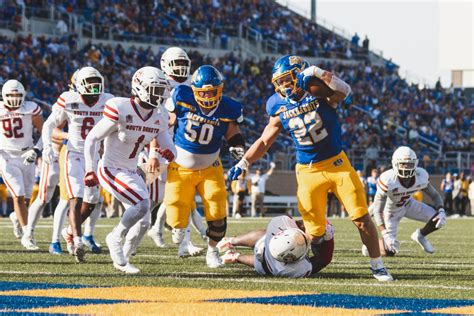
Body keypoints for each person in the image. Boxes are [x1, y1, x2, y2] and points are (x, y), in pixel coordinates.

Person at [228, 55, 392, 281]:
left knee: (361, 218)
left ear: (300, 74)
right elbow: (265, 140)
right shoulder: (277, 104)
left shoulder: (318, 90)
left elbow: (345, 91)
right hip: (307, 171)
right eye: (280, 81)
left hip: (337, 165)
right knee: (314, 233)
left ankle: (378, 265)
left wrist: (318, 72)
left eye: (288, 79)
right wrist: (244, 161)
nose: (284, 85)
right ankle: (290, 259)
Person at [83, 66, 175, 273]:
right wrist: (89, 169)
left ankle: (122, 259)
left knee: (144, 222)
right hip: (110, 168)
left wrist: (169, 153)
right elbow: (93, 138)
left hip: (132, 171)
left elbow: (169, 146)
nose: (159, 95)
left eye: (161, 90)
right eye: (155, 89)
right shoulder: (120, 107)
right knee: (143, 204)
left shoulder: (159, 115)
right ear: (140, 88)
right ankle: (114, 237)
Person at [163, 65, 244, 268]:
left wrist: (237, 147)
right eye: (203, 92)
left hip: (210, 167)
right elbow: (168, 122)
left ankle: (212, 251)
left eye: (211, 92)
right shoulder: (182, 96)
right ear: (194, 90)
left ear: (220, 89)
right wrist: (156, 145)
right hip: (179, 166)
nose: (207, 96)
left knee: (217, 210)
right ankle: (178, 227)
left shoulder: (228, 107)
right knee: (174, 208)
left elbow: (233, 132)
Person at [42, 67, 113, 262]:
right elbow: (49, 125)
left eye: (95, 81)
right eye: (89, 82)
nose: (93, 86)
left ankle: (69, 231)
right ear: (80, 84)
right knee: (75, 198)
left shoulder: (108, 100)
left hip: (94, 157)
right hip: (72, 154)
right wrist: (47, 146)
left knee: (92, 202)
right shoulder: (69, 98)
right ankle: (78, 240)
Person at [146, 47, 208, 256]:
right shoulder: (158, 82)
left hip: (181, 143)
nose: (181, 68)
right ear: (165, 64)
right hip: (160, 144)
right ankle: (138, 232)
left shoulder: (192, 82)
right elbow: (153, 118)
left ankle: (183, 240)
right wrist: (154, 151)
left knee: (181, 193)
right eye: (176, 64)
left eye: (183, 64)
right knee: (151, 197)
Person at [366, 146, 446, 256]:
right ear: (395, 163)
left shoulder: (420, 176)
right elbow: (377, 211)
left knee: (439, 219)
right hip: (391, 212)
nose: (407, 167)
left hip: (409, 204)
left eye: (410, 164)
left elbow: (435, 195)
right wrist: (385, 234)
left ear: (415, 164)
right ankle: (369, 247)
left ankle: (420, 235)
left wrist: (441, 210)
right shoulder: (388, 180)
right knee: (390, 250)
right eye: (403, 163)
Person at [0, 79, 44, 248]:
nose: (14, 98)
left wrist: (36, 150)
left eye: (17, 94)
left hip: (27, 155)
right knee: (17, 195)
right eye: (11, 94)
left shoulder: (30, 108)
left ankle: (15, 217)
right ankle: (28, 234)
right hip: (7, 157)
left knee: (25, 199)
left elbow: (44, 131)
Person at [217, 215, 334, 278]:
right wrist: (327, 238)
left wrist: (315, 227)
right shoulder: (294, 269)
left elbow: (299, 223)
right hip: (268, 267)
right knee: (261, 262)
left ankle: (232, 241)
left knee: (263, 237)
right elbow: (324, 259)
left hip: (265, 248)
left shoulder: (278, 224)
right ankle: (235, 256)